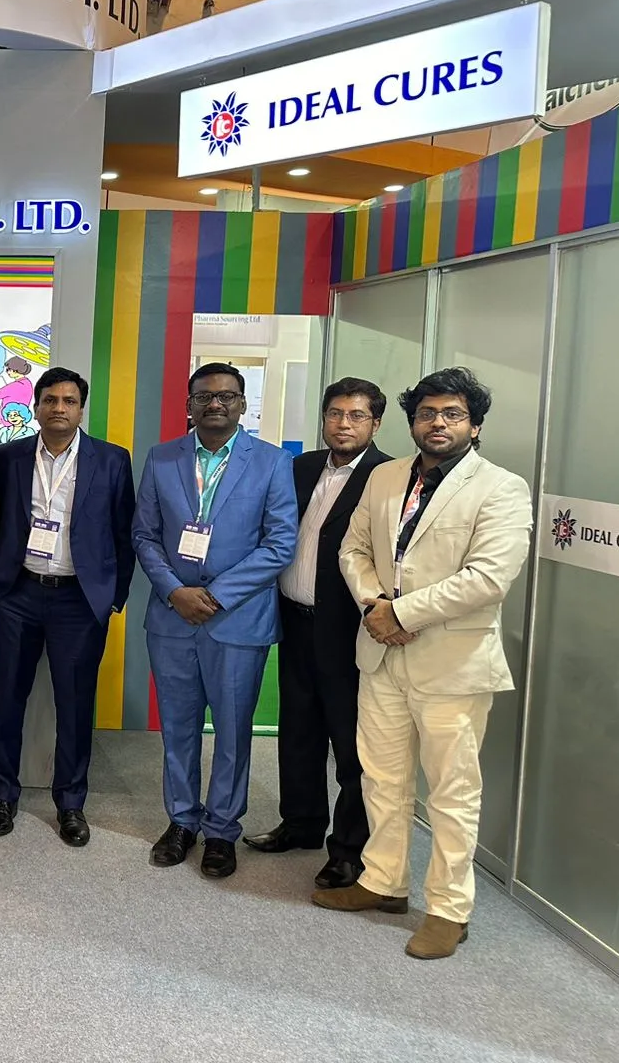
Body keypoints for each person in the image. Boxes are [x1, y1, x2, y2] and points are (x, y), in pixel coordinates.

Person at [315, 367, 531, 960]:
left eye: (452, 414)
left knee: (451, 793)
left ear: (475, 425)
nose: (438, 423)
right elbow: (354, 548)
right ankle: (383, 881)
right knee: (381, 779)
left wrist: (401, 612)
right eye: (428, 413)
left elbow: (487, 578)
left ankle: (449, 909)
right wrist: (373, 605)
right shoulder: (385, 476)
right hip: (381, 655)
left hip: (451, 664)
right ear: (412, 422)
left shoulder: (502, 488)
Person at [131, 363, 296, 879]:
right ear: (190, 404)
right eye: (204, 396)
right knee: (178, 728)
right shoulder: (162, 458)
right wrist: (174, 591)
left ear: (243, 404)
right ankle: (182, 820)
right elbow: (144, 534)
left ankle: (222, 828)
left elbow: (280, 543)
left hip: (238, 621)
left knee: (232, 729)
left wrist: (218, 596)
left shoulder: (272, 462)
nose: (216, 404)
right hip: (172, 617)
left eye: (227, 396)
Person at [244, 378, 390, 889]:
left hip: (348, 630)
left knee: (351, 745)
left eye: (356, 415)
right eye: (335, 413)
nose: (344, 424)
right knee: (298, 731)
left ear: (375, 423)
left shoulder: (386, 478)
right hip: (295, 620)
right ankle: (302, 823)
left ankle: (348, 850)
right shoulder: (301, 467)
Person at [0, 368, 135, 846]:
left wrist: (113, 595)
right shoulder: (9, 456)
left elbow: (124, 530)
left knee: (74, 705)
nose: (59, 408)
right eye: (50, 400)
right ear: (36, 407)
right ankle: (3, 795)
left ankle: (70, 803)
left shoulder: (112, 460)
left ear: (81, 409)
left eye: (69, 401)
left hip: (79, 599)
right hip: (18, 594)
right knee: (8, 699)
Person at [0, 356, 35, 421]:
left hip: (10, 418)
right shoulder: (26, 382)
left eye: (9, 370)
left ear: (16, 370)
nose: (7, 372)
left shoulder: (17, 385)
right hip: (16, 417)